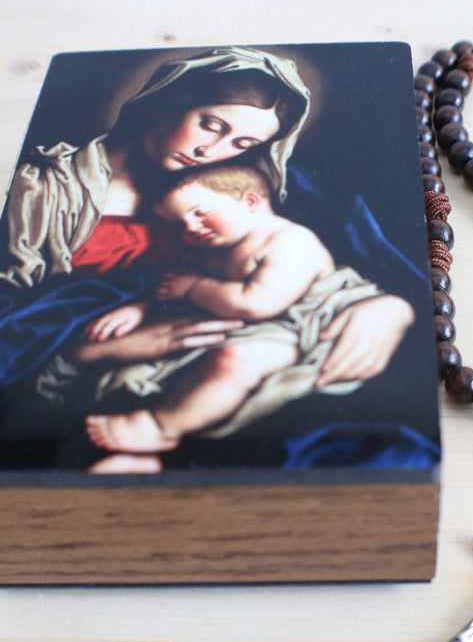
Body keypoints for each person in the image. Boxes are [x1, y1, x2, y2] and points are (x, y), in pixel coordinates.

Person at [0, 46, 416, 456]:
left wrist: (389, 309)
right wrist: (94, 350)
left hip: (247, 351)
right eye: (211, 124)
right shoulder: (46, 190)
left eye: (243, 143)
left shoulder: (258, 189)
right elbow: (16, 319)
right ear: (167, 103)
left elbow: (372, 260)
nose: (212, 152)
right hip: (92, 367)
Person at [83, 164, 392, 454]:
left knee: (235, 362)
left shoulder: (291, 242)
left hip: (305, 328)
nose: (191, 227)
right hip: (250, 325)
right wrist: (140, 309)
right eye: (179, 224)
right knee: (164, 367)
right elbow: (170, 288)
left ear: (250, 202)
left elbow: (257, 303)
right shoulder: (209, 249)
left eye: (200, 213)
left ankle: (162, 426)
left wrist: (193, 288)